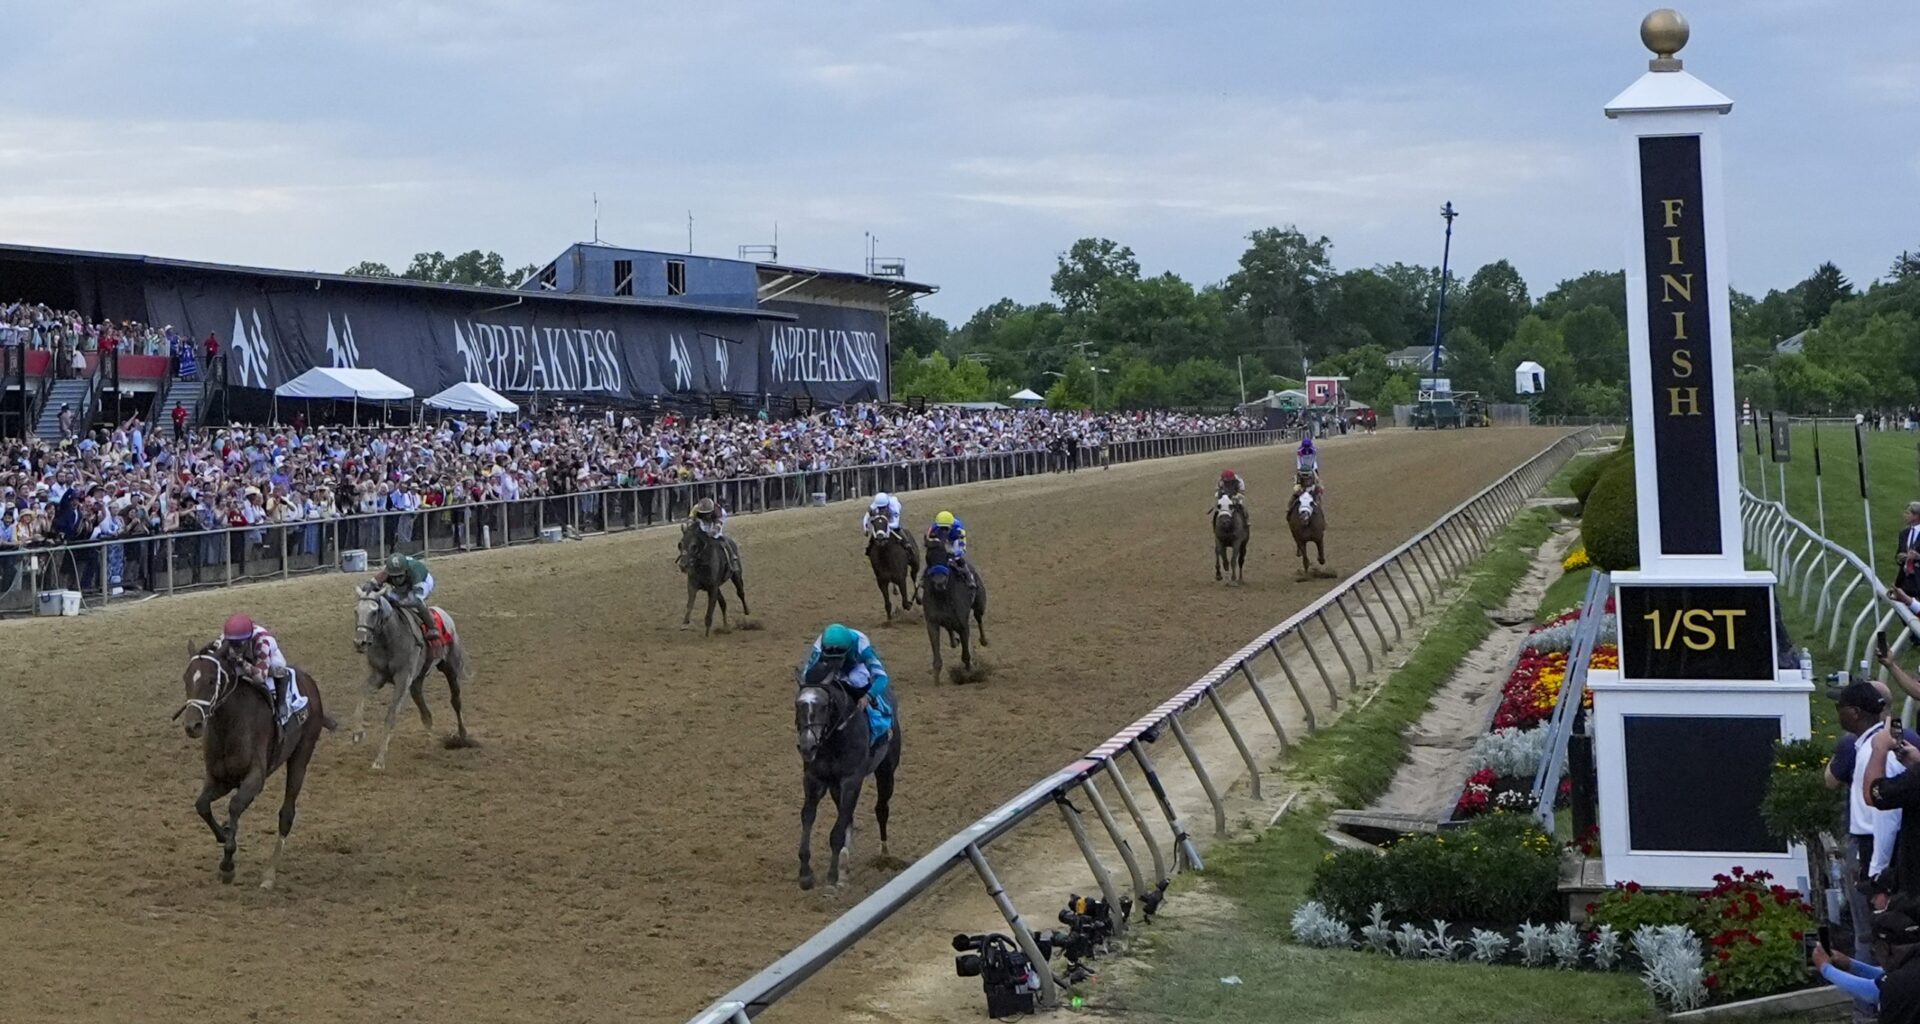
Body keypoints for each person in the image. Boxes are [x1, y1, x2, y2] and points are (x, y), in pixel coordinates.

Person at [1816, 896, 1920, 1023]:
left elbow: (1871, 991)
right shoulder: (1911, 967)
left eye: (1874, 948)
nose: (1874, 953)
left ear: (1886, 948)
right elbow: (1887, 978)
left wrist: (1825, 968)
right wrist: (1850, 964)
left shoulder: (1901, 981)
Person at [801, 623, 895, 746]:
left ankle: (879, 721)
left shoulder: (862, 646)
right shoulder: (818, 648)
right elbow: (806, 676)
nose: (836, 663)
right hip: (826, 666)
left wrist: (868, 696)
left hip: (855, 667)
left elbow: (882, 677)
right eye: (832, 658)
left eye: (839, 658)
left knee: (857, 679)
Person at [218, 612, 304, 729]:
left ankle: (282, 702)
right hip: (248, 654)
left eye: (237, 645)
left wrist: (241, 661)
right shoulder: (226, 638)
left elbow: (260, 677)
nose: (233, 648)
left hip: (267, 660)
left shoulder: (263, 642)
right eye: (231, 643)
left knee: (278, 667)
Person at [371, 551, 436, 643]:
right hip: (404, 585)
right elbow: (370, 584)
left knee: (414, 601)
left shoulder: (416, 572)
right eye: (394, 577)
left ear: (406, 571)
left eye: (400, 576)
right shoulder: (386, 572)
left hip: (423, 581)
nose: (397, 580)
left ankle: (432, 627)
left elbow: (416, 600)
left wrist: (399, 603)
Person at [926, 510, 974, 586]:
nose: (944, 531)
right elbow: (929, 540)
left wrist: (952, 556)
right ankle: (924, 577)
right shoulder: (934, 528)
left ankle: (969, 577)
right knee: (934, 556)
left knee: (958, 559)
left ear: (951, 526)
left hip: (955, 539)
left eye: (946, 528)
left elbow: (961, 548)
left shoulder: (958, 529)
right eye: (941, 528)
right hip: (941, 539)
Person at [1294, 434, 1324, 509]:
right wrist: (1300, 470)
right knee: (1297, 487)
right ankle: (1291, 504)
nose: (1307, 448)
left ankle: (1319, 502)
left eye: (1308, 447)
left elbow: (1313, 460)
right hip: (1302, 468)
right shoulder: (1299, 451)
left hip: (1312, 467)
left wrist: (1312, 470)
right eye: (1306, 447)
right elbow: (1299, 461)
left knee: (1319, 485)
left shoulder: (1314, 451)